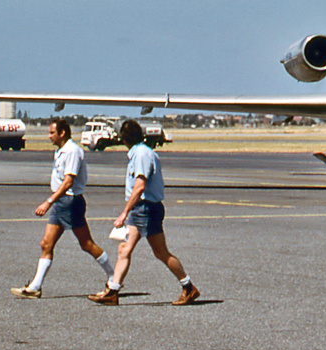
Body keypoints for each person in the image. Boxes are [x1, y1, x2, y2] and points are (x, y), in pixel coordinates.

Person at [88, 120, 199, 306]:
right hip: (140, 209)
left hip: (146, 209)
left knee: (161, 253)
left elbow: (139, 186)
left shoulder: (141, 155)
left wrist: (124, 213)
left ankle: (188, 287)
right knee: (124, 248)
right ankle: (112, 291)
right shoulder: (140, 153)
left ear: (123, 138)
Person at [12, 119, 115, 298]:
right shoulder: (60, 151)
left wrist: (48, 202)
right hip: (61, 203)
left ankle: (114, 278)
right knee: (46, 244)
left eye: (52, 132)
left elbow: (69, 181)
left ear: (62, 133)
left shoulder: (73, 151)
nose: (49, 136)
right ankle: (35, 287)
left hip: (70, 202)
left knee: (86, 244)